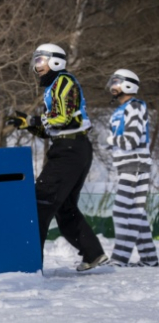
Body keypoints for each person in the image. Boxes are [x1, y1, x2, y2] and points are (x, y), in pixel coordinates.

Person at [6, 43, 107, 271]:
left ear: (56, 62)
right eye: (36, 61)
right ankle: (93, 253)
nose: (37, 66)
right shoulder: (53, 87)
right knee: (64, 207)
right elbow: (54, 126)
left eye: (41, 60)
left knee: (40, 203)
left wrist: (34, 121)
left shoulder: (63, 81)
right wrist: (28, 125)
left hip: (69, 151)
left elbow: (63, 118)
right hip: (73, 148)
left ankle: (31, 265)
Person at [104, 69, 157, 267]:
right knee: (136, 213)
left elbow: (131, 140)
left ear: (128, 85)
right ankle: (150, 259)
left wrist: (111, 140)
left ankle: (120, 258)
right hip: (127, 164)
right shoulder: (122, 109)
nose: (112, 86)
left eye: (116, 82)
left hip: (135, 163)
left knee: (121, 211)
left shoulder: (134, 106)